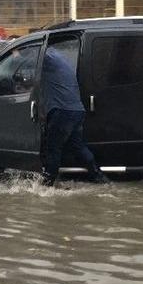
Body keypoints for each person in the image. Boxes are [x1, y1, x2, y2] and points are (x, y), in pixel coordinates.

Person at [40, 47, 107, 187]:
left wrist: (17, 54)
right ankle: (98, 177)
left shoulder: (46, 57)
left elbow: (25, 65)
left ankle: (47, 185)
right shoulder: (58, 56)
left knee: (53, 148)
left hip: (63, 110)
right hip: (76, 110)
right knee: (78, 146)